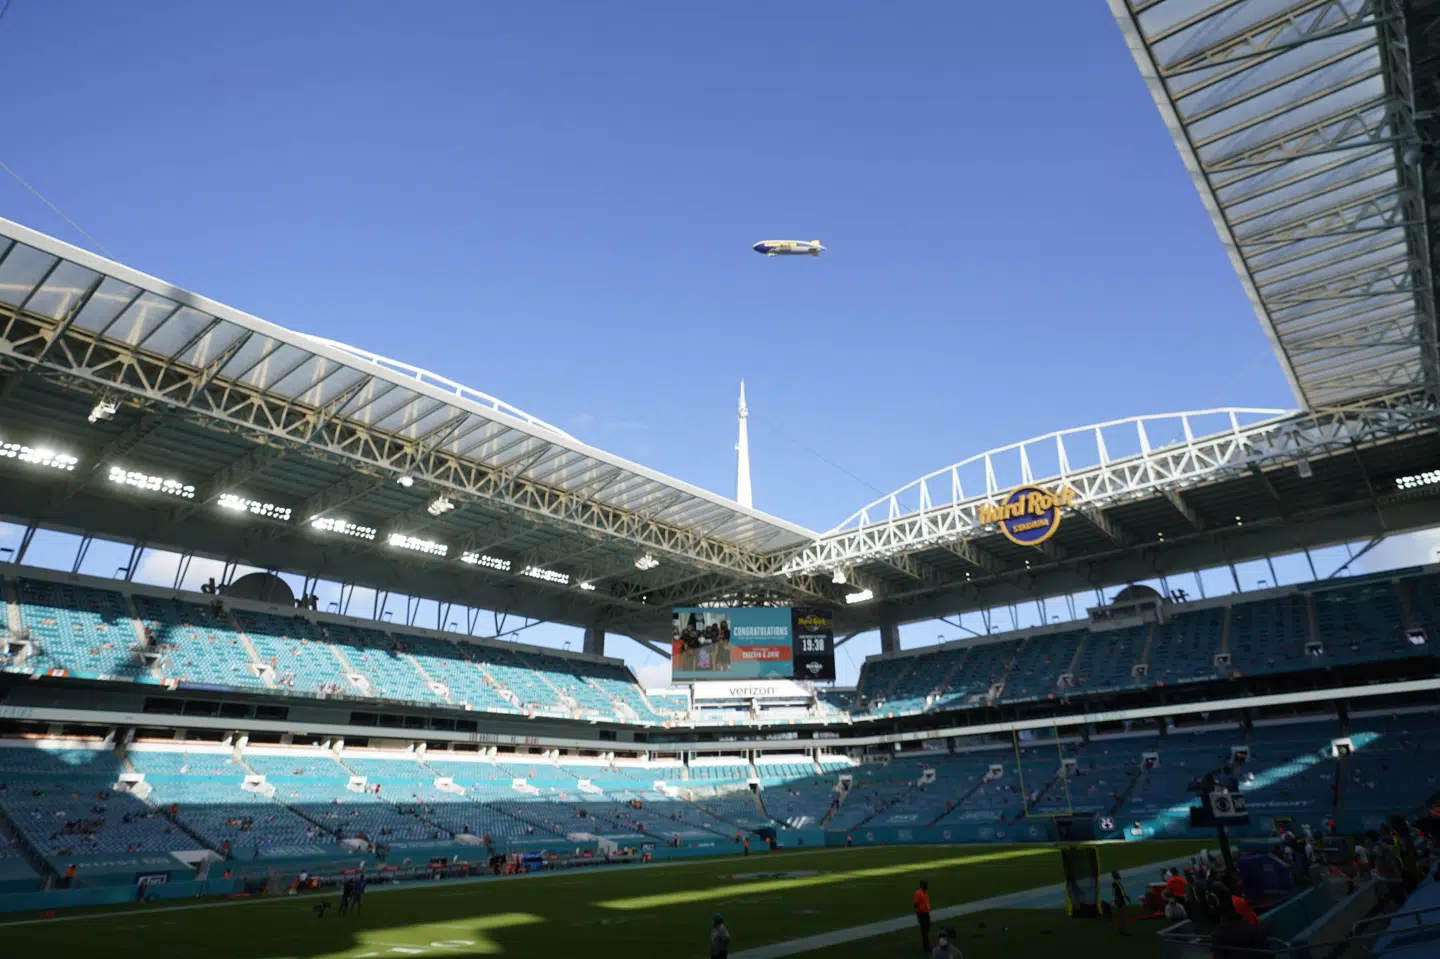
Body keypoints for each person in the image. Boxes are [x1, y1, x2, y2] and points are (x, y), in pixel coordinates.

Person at [914, 879, 933, 953]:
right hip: (921, 914)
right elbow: (915, 904)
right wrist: (920, 908)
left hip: (926, 913)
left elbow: (926, 903)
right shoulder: (918, 893)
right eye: (925, 885)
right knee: (924, 931)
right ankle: (926, 947)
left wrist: (928, 907)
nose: (926, 887)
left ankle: (927, 945)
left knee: (927, 929)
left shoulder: (925, 894)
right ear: (922, 885)